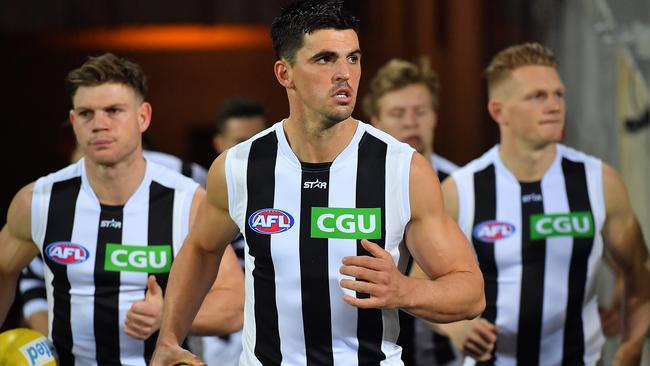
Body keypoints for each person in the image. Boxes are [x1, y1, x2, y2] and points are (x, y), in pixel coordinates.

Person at [151, 1, 484, 365]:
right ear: (285, 73)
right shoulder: (238, 167)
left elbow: (470, 293)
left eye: (353, 58)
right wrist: (169, 337)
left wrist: (405, 290)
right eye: (326, 59)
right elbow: (201, 250)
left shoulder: (402, 168)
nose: (345, 73)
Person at [0, 53, 244, 365]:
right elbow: (4, 268)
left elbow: (235, 304)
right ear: (74, 122)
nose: (99, 124)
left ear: (143, 117)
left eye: (113, 111)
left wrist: (167, 314)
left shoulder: (187, 202)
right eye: (86, 113)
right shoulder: (38, 200)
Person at [438, 43, 649, 365]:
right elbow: (423, 281)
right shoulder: (460, 190)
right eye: (537, 96)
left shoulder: (599, 182)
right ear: (499, 111)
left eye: (558, 94)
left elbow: (640, 271)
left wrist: (631, 348)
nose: (554, 106)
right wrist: (455, 328)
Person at [363, 57, 461, 366]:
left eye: (420, 112)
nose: (410, 122)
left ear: (434, 116)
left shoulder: (464, 186)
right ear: (375, 121)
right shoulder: (354, 188)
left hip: (450, 354)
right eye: (397, 113)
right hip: (374, 352)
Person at [198, 96, 267, 365]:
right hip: (216, 341)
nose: (253, 149)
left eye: (259, 138)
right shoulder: (196, 200)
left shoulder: (299, 193)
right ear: (219, 144)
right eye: (241, 142)